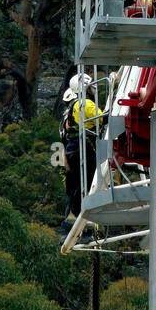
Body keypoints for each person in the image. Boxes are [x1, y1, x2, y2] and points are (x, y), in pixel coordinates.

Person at [59, 69, 100, 231]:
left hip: (72, 150)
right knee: (87, 181)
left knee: (75, 185)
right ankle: (78, 216)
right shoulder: (84, 104)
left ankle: (72, 219)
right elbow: (101, 118)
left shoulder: (68, 112)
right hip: (83, 147)